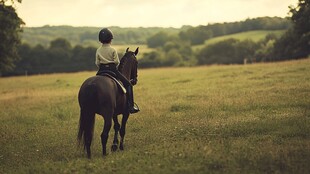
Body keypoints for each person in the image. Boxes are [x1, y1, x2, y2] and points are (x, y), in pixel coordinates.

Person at [95, 28, 140, 114]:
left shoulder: (98, 50)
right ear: (110, 39)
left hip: (101, 71)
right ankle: (131, 106)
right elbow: (117, 62)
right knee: (128, 84)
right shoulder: (113, 50)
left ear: (100, 40)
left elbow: (97, 63)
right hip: (112, 70)